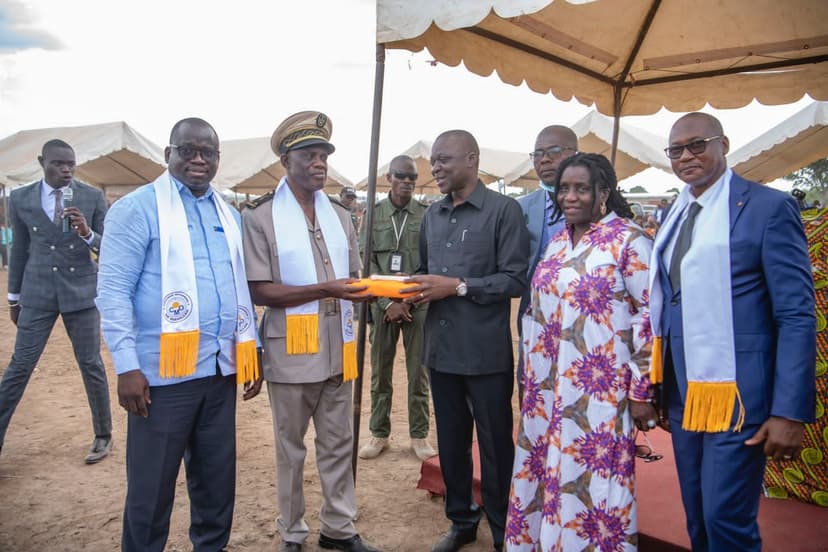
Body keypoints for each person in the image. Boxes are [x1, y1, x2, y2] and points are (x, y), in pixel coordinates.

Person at [649, 112, 815, 551]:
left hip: (739, 393)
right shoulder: (675, 211)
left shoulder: (768, 208)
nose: (686, 156)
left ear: (723, 143)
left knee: (726, 518)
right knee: (698, 514)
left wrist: (789, 411)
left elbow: (797, 314)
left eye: (697, 144)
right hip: (685, 393)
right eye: (676, 150)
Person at [96, 118, 263, 552]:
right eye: (188, 150)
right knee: (151, 492)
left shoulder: (228, 213)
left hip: (218, 371)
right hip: (160, 380)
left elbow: (238, 287)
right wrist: (127, 366)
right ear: (168, 153)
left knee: (215, 485)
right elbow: (113, 292)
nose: (198, 159)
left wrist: (251, 350)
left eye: (208, 152)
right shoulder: (137, 209)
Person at [242, 111, 380, 552]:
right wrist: (324, 288)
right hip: (290, 354)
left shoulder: (340, 214)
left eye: (323, 155)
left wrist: (376, 291)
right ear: (286, 160)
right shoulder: (261, 217)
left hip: (339, 348)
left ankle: (339, 529)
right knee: (291, 451)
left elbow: (353, 277)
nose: (319, 163)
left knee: (339, 445)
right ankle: (292, 532)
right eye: (309, 155)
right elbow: (259, 291)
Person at [505, 153, 656, 551]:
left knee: (594, 485)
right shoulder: (557, 243)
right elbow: (537, 315)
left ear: (603, 192)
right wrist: (530, 381)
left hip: (600, 394)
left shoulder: (630, 241)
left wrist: (642, 391)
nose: (570, 197)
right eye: (563, 189)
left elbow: (651, 319)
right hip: (548, 393)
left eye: (581, 188)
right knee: (545, 477)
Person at [404, 130, 529, 552]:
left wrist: (457, 286)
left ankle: (502, 528)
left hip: (486, 355)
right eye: (433, 161)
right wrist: (400, 294)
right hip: (441, 353)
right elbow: (425, 272)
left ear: (472, 159)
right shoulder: (432, 216)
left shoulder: (503, 211)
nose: (435, 168)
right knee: (452, 445)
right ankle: (461, 520)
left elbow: (515, 279)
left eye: (444, 160)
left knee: (495, 448)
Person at [0, 139, 112, 464]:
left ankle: (103, 435)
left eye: (71, 164)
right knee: (20, 366)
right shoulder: (20, 198)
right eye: (58, 164)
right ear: (42, 162)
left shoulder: (91, 196)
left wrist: (88, 233)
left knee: (90, 364)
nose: (65, 170)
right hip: (37, 294)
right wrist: (13, 298)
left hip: (81, 293)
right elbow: (18, 249)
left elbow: (108, 247)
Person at [357, 155, 436, 461]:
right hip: (382, 308)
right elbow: (366, 262)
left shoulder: (427, 215)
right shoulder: (373, 215)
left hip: (417, 306)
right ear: (388, 178)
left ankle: (419, 435)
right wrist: (388, 302)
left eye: (412, 178)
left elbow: (430, 261)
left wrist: (406, 300)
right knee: (380, 373)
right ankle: (379, 433)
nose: (406, 182)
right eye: (401, 176)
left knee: (419, 373)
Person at [516, 125, 578, 402]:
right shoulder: (520, 207)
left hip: (582, 314)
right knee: (532, 388)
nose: (544, 159)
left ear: (574, 154)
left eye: (553, 151)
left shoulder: (599, 203)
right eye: (538, 153)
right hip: (534, 312)